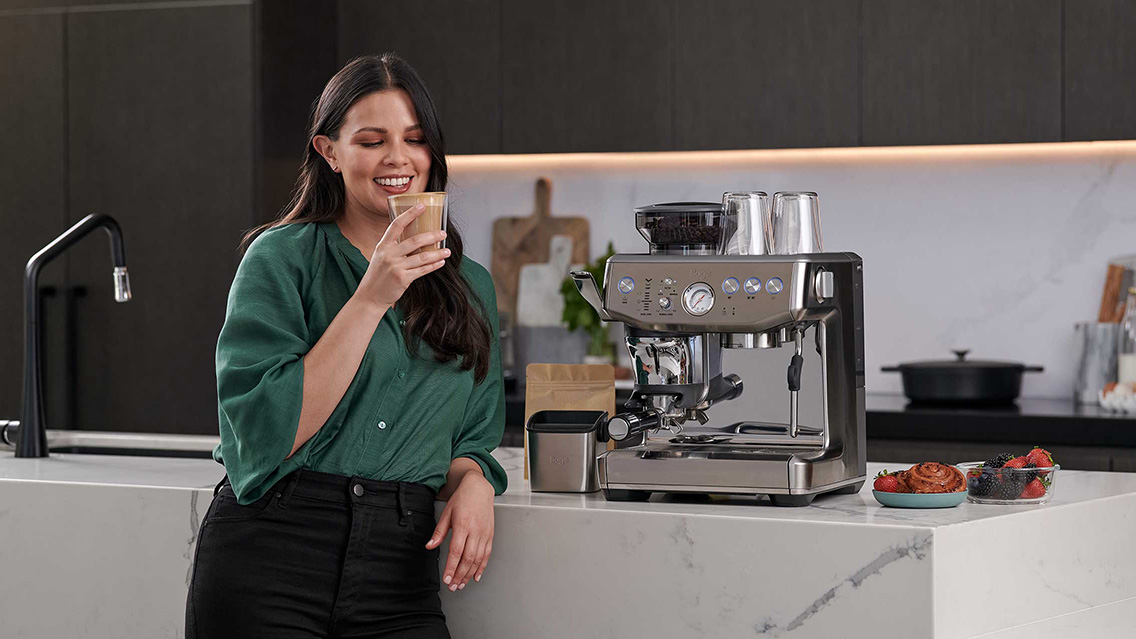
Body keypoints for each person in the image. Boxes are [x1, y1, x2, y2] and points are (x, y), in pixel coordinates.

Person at [185, 53, 505, 638]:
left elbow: (473, 438)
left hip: (400, 567)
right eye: (371, 140)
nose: (398, 158)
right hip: (271, 553)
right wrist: (369, 299)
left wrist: (477, 482)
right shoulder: (280, 259)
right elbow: (261, 436)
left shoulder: (471, 287)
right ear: (328, 151)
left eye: (415, 139)